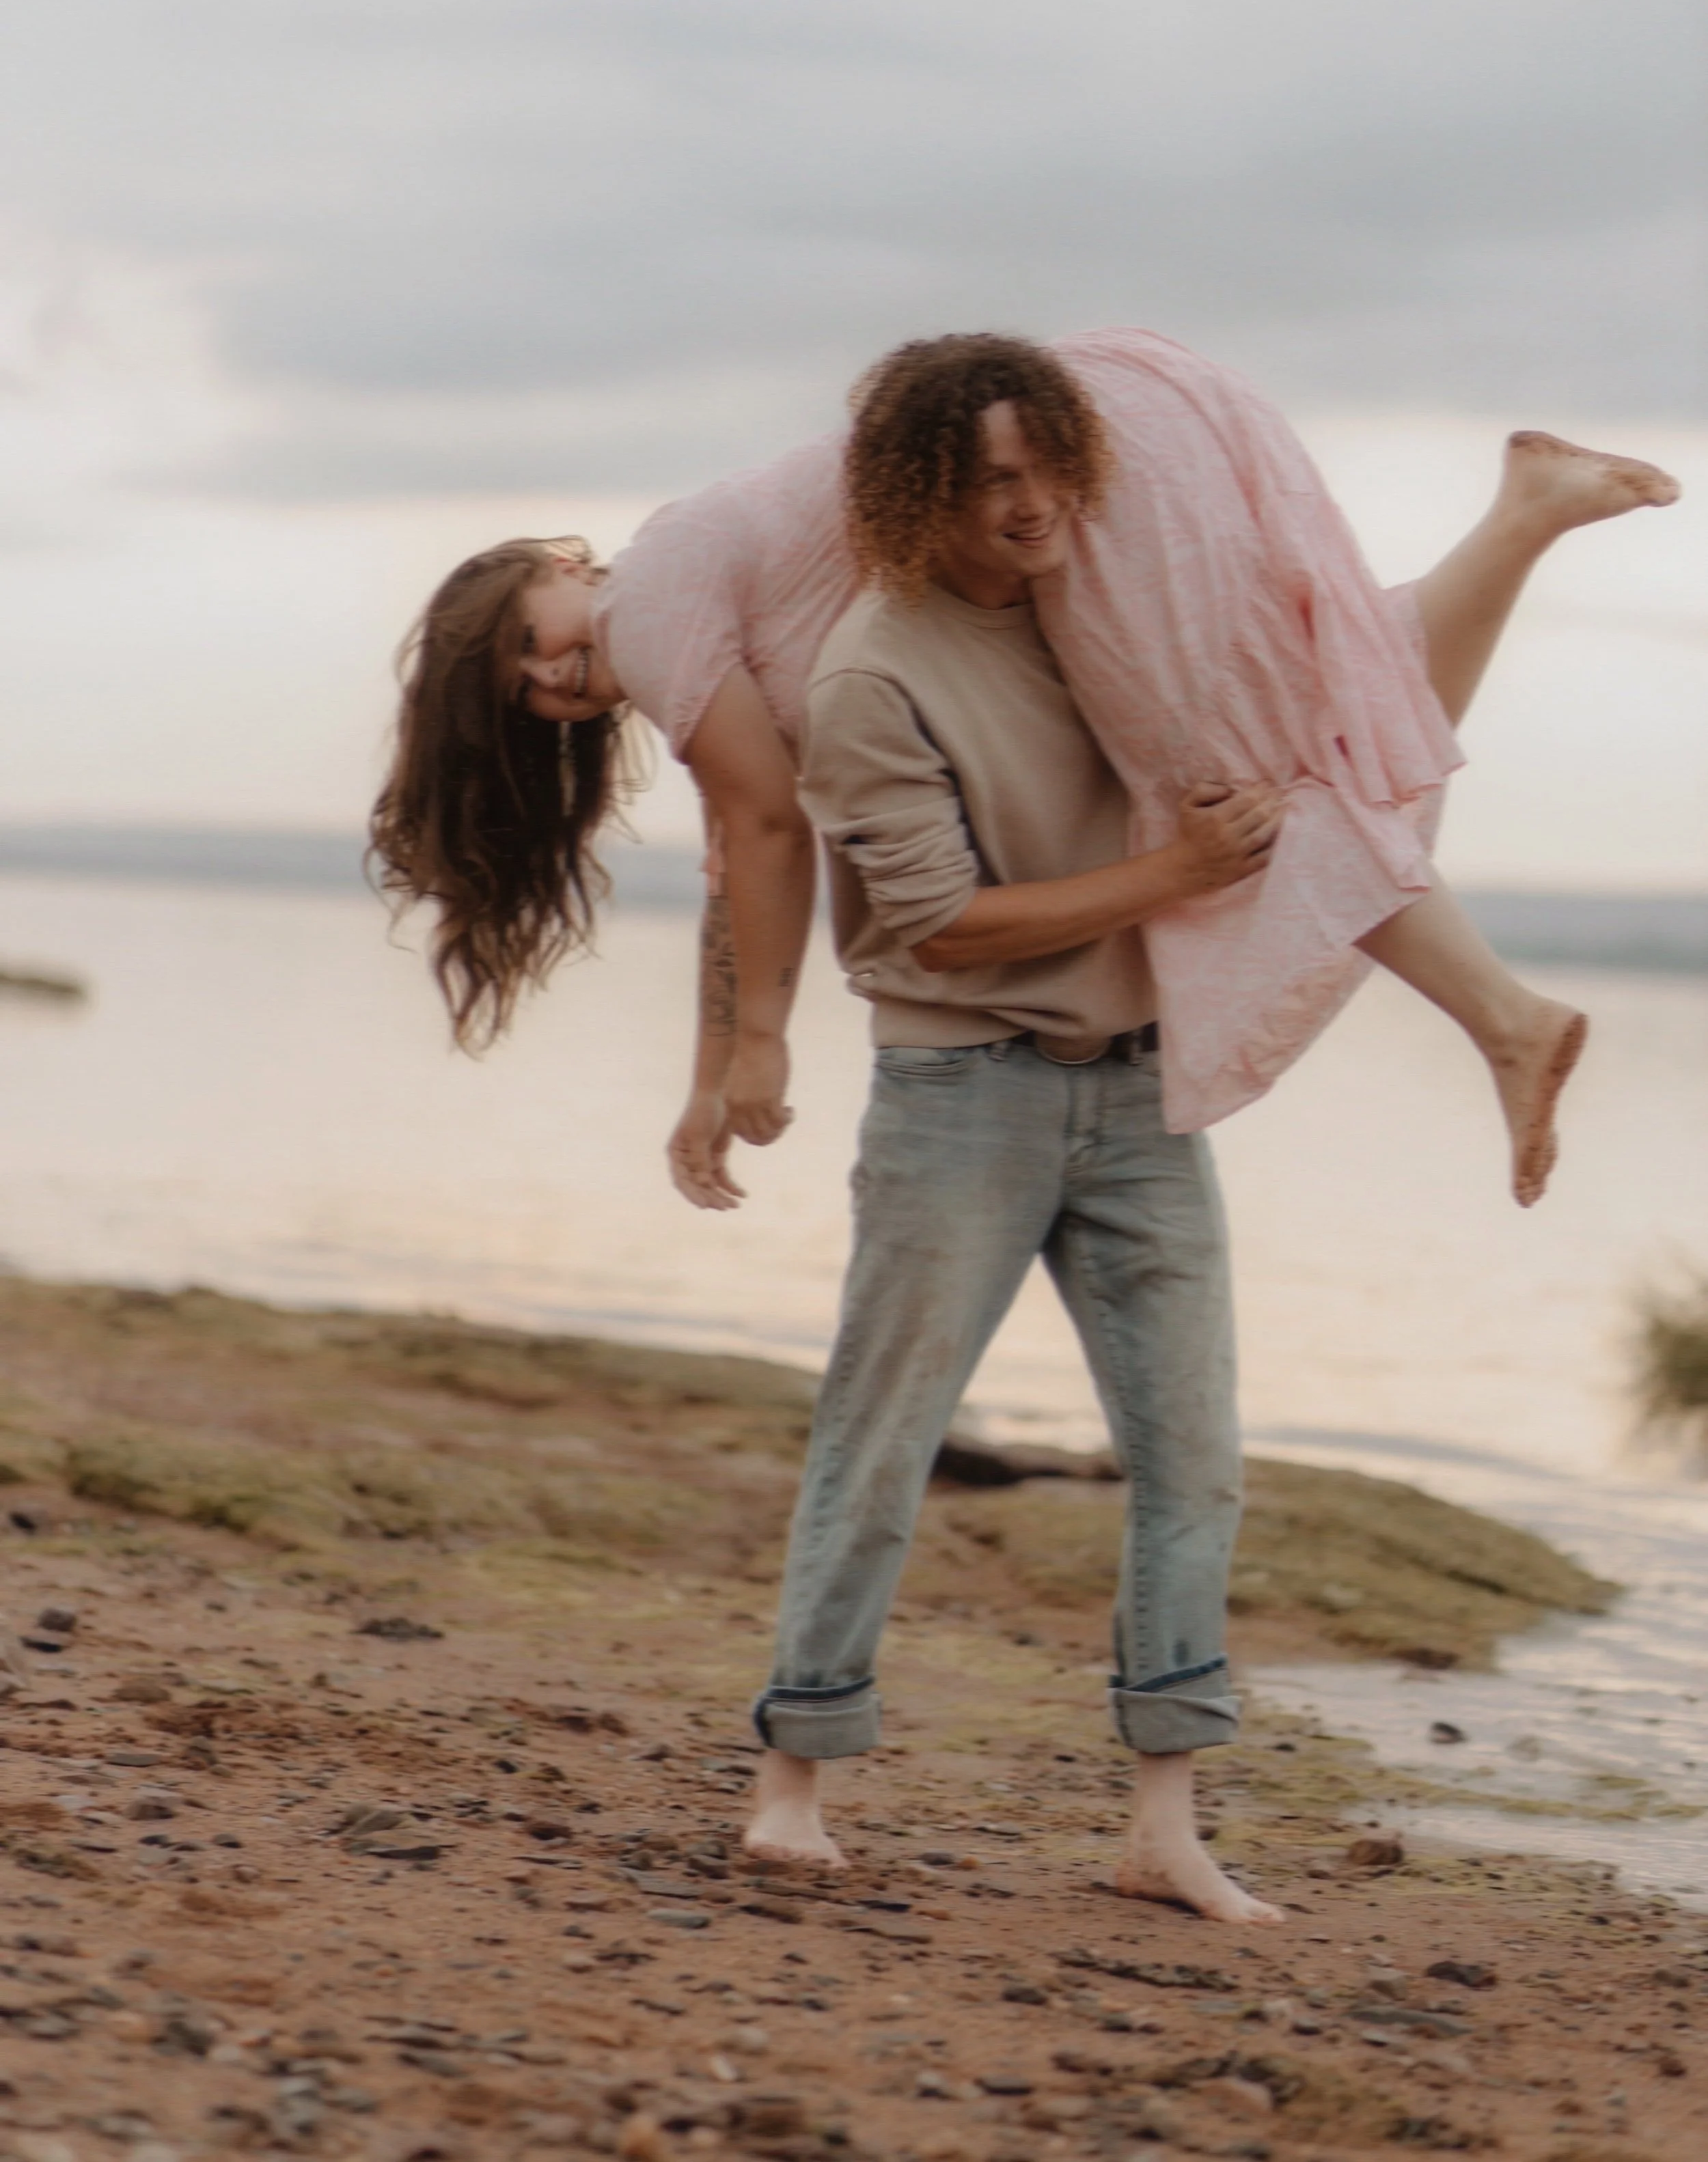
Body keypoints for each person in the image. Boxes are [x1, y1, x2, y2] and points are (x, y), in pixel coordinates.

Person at [369, 329, 1678, 1204]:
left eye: (527, 637)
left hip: (1046, 445)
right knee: (1299, 725)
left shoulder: (648, 609)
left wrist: (763, 1050)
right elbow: (739, 857)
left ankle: (1504, 1017)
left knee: (1243, 779)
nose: (549, 676)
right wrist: (716, 1074)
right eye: (522, 695)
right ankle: (1527, 516)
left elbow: (772, 833)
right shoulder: (683, 605)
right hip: (1116, 406)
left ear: (562, 566)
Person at [743, 397, 1280, 1917]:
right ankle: (791, 1781)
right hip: (959, 1093)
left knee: (1194, 1459)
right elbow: (936, 925)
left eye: (1046, 466)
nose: (1028, 500)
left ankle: (1163, 1828)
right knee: (883, 1439)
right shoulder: (870, 673)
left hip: (1144, 1088)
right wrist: (1176, 869)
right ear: (915, 492)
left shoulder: (1108, 614)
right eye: (987, 478)